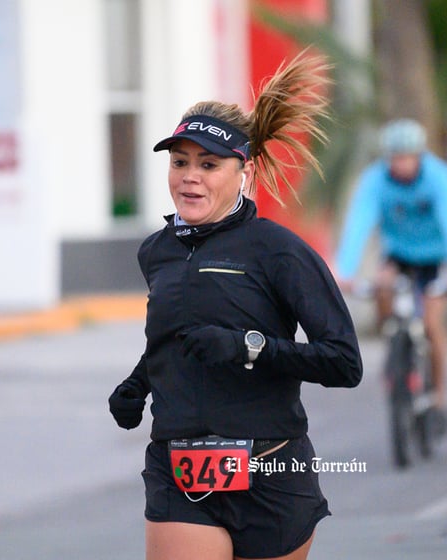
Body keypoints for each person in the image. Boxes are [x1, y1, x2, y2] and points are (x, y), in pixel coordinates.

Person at [108, 50, 363, 560]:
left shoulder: (277, 250)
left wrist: (250, 348)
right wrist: (138, 383)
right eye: (179, 162)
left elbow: (344, 362)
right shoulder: (157, 251)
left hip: (273, 472)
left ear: (242, 172)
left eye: (208, 164)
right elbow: (170, 342)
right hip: (180, 473)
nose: (189, 176)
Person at [334, 118, 447, 432]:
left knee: (432, 324)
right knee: (383, 289)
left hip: (434, 259)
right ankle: (395, 349)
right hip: (398, 256)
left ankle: (439, 396)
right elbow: (359, 221)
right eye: (395, 158)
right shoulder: (375, 180)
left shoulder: (438, 177)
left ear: (420, 156)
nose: (402, 164)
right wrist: (345, 269)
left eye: (408, 157)